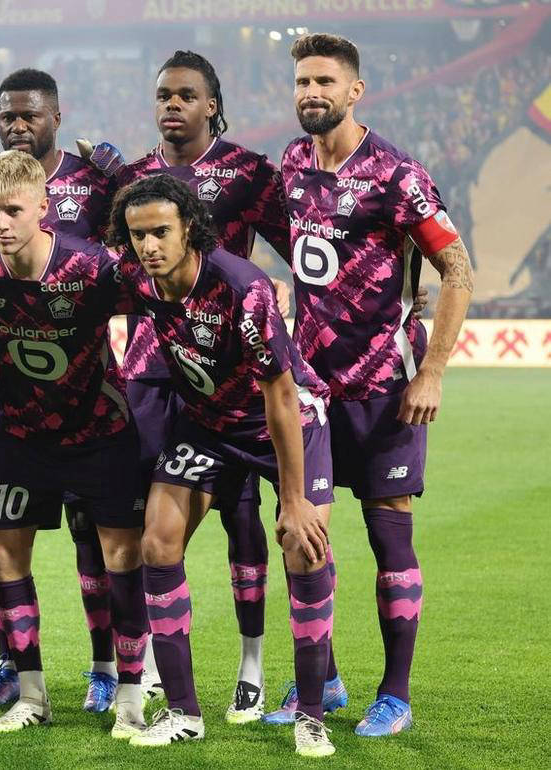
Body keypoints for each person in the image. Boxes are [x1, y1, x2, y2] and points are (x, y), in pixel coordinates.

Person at [270, 33, 473, 737]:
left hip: (386, 386)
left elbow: (457, 271)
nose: (311, 93)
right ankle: (320, 682)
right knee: (303, 534)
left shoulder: (397, 174)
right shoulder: (292, 163)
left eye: (325, 81)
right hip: (310, 389)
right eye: (303, 81)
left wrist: (433, 370)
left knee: (390, 539)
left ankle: (395, 695)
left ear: (355, 91)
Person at [106, 174, 338, 758]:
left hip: (284, 420)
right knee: (157, 540)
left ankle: (311, 716)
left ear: (189, 229)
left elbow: (280, 394)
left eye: (161, 232)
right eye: (138, 235)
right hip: (208, 423)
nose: (148, 245)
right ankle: (184, 713)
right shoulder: (137, 275)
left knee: (304, 546)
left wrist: (293, 500)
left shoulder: (241, 287)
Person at [114, 50, 294, 722]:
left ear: (212, 105)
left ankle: (252, 666)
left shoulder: (249, 172)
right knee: (152, 519)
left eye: (187, 95)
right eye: (164, 94)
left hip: (226, 373)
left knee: (242, 518)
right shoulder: (134, 178)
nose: (173, 104)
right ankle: (155, 663)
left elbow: (302, 249)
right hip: (150, 367)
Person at [0, 150, 150, 737]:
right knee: (5, 557)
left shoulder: (90, 266)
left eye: (13, 210)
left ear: (44, 207)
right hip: (22, 436)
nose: (1, 223)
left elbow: (162, 292)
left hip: (100, 435)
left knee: (122, 560)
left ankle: (131, 696)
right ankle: (32, 696)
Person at [0, 67, 122, 712]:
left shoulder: (95, 181)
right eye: (7, 115)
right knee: (3, 532)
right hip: (7, 382)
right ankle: (13, 667)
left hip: (83, 382)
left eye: (28, 115)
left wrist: (121, 174)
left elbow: (135, 247)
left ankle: (107, 668)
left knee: (94, 535)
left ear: (55, 116)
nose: (16, 126)